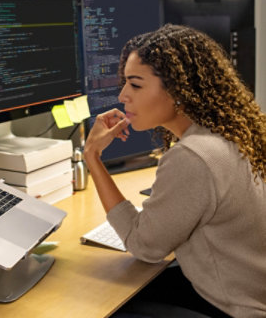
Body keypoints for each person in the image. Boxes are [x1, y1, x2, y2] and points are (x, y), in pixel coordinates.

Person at [83, 24, 266, 318]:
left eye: (136, 84)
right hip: (248, 292)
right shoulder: (232, 133)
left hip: (238, 310)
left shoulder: (194, 157)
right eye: (125, 83)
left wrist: (92, 156)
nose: (123, 96)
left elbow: (144, 246)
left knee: (98, 304)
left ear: (180, 90)